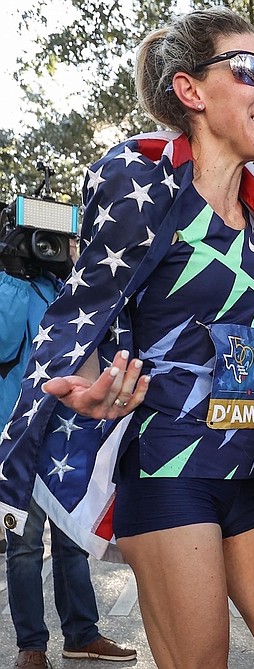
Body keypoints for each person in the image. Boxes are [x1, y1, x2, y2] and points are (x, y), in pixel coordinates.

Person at [0, 7, 254, 669]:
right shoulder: (140, 179)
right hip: (169, 469)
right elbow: (82, 306)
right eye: (249, 71)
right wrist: (87, 384)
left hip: (245, 470)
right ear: (191, 92)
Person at [1, 225, 135, 668]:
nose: (59, 249)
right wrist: (10, 274)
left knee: (71, 540)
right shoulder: (7, 284)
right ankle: (31, 647)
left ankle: (82, 633)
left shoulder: (69, 289)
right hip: (18, 434)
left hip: (63, 434)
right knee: (23, 546)